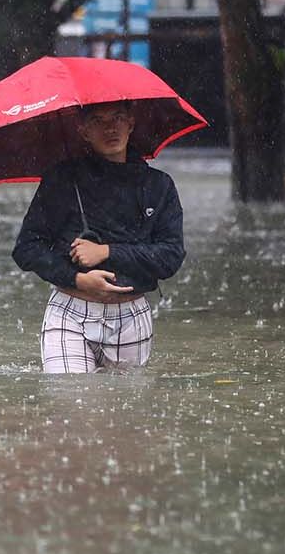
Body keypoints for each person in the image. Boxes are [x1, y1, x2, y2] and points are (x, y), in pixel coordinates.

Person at [11, 103, 185, 374]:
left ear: (130, 122)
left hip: (131, 317)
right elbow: (26, 249)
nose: (110, 128)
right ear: (83, 130)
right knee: (72, 401)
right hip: (69, 311)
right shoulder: (62, 180)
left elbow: (171, 257)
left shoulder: (159, 186)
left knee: (123, 413)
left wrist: (107, 252)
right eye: (97, 121)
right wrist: (77, 279)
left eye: (117, 118)